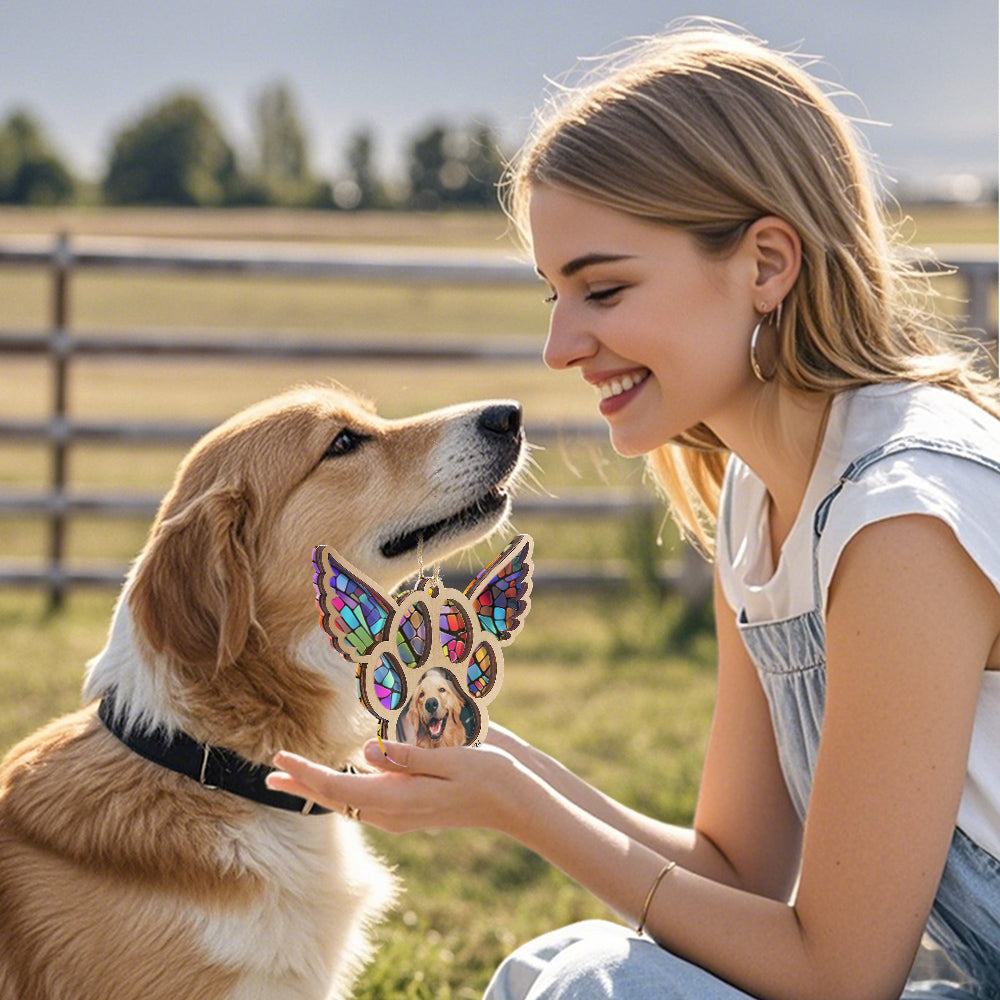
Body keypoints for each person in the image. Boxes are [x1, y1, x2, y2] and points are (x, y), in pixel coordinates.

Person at [267, 23, 1000, 1000]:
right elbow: (737, 872)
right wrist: (499, 766)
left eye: (602, 288)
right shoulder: (759, 500)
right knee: (559, 967)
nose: (562, 347)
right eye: (553, 296)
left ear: (766, 264)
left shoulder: (900, 517)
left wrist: (528, 811)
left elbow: (837, 974)